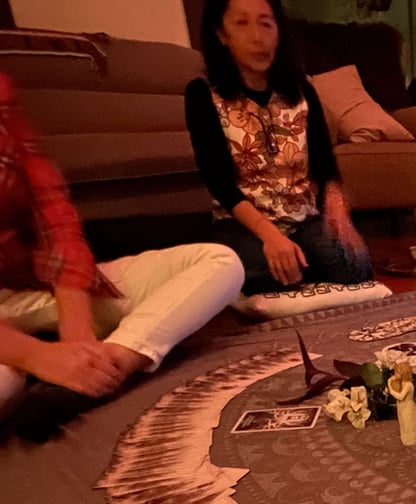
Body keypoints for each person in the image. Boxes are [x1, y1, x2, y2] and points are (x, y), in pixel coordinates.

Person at [0, 71, 245, 442]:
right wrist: (34, 356)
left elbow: (56, 223)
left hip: (35, 285)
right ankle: (52, 375)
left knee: (219, 263)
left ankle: (106, 367)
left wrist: (78, 339)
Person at [186, 0, 372, 295]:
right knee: (261, 273)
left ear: (279, 32)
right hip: (244, 224)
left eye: (266, 23)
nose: (257, 37)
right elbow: (218, 181)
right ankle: (290, 268)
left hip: (303, 217)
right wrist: (270, 236)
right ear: (222, 34)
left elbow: (324, 165)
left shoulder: (302, 92)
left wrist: (338, 211)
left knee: (354, 266)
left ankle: (298, 266)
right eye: (242, 23)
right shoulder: (203, 95)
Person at [387, 361, 416, 446]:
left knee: (409, 422)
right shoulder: (402, 382)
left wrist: (391, 390)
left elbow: (400, 396)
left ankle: (413, 439)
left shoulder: (408, 385)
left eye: (397, 372)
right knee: (403, 422)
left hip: (407, 406)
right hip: (401, 406)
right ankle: (406, 437)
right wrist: (390, 381)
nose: (395, 374)